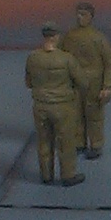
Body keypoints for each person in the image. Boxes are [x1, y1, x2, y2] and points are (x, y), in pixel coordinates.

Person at [25, 23, 89, 186]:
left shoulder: (33, 57)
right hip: (63, 106)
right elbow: (83, 82)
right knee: (66, 142)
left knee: (44, 141)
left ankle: (46, 175)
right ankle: (68, 175)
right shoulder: (67, 59)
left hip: (40, 106)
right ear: (56, 36)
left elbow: (28, 83)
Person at [60, 2, 111, 159]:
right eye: (78, 14)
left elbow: (109, 63)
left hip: (94, 84)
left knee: (94, 115)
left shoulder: (99, 38)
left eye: (83, 14)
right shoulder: (69, 36)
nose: (80, 17)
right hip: (75, 82)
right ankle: (79, 142)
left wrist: (107, 86)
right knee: (76, 114)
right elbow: (60, 58)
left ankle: (96, 144)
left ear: (91, 16)